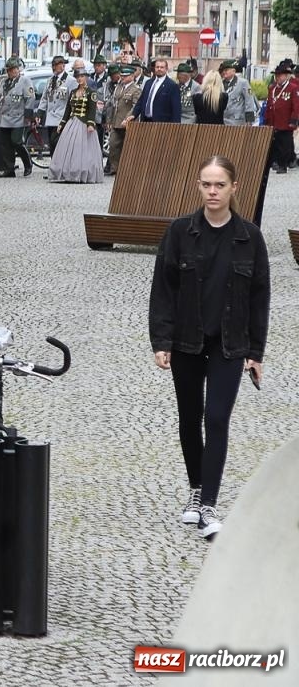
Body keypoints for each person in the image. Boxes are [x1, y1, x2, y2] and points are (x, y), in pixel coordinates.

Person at [148, 155, 270, 541]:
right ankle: (196, 488)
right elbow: (163, 290)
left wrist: (256, 351)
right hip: (186, 339)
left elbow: (259, 296)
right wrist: (161, 341)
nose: (213, 191)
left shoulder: (250, 237)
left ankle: (209, 506)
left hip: (229, 344)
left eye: (219, 184)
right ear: (199, 187)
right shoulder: (181, 232)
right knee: (190, 417)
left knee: (216, 418)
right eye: (206, 184)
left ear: (234, 188)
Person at [47, 64, 104, 183]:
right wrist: (62, 124)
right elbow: (68, 110)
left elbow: (92, 109)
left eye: (82, 76)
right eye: (78, 77)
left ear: (86, 77)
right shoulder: (73, 92)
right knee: (66, 148)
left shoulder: (91, 92)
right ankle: (67, 172)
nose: (80, 79)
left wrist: (90, 124)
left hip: (84, 124)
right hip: (71, 123)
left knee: (81, 148)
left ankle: (82, 172)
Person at [0, 58, 36, 178]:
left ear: (18, 69)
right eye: (9, 70)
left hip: (19, 117)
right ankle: (9, 168)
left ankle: (28, 164)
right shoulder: (4, 82)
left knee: (16, 141)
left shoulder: (25, 81)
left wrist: (28, 115)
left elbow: (30, 97)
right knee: (5, 144)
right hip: (5, 117)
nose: (11, 72)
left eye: (13, 69)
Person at [105, 64, 143, 175]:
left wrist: (128, 119)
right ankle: (115, 168)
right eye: (122, 76)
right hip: (116, 121)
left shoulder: (136, 89)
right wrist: (109, 119)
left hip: (128, 123)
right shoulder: (118, 87)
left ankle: (126, 170)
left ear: (132, 76)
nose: (123, 78)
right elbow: (112, 104)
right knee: (113, 145)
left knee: (128, 147)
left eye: (125, 76)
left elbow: (135, 107)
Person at [262, 60, 296, 173]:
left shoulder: (293, 88)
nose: (278, 78)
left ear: (286, 76)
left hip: (285, 121)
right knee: (274, 143)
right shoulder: (272, 88)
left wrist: (294, 120)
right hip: (273, 120)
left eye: (280, 75)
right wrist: (267, 120)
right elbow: (269, 105)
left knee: (285, 144)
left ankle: (283, 164)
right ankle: (275, 161)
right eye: (276, 75)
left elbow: (296, 106)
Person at [132, 57, 182, 124]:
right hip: (145, 121)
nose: (159, 69)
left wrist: (175, 127)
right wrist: (134, 115)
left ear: (166, 69)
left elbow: (176, 109)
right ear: (154, 68)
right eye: (157, 67)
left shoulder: (172, 85)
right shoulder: (148, 83)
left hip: (162, 124)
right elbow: (141, 101)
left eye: (162, 67)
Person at [219, 60, 259, 126]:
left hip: (237, 122)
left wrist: (249, 120)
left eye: (226, 70)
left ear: (233, 71)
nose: (224, 72)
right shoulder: (220, 83)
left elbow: (249, 101)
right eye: (223, 70)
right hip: (223, 120)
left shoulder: (243, 83)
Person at [176, 62, 201, 126]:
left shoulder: (196, 87)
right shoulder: (177, 86)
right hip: (177, 119)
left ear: (187, 75)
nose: (178, 76)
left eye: (180, 74)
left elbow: (198, 107)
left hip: (190, 120)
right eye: (178, 74)